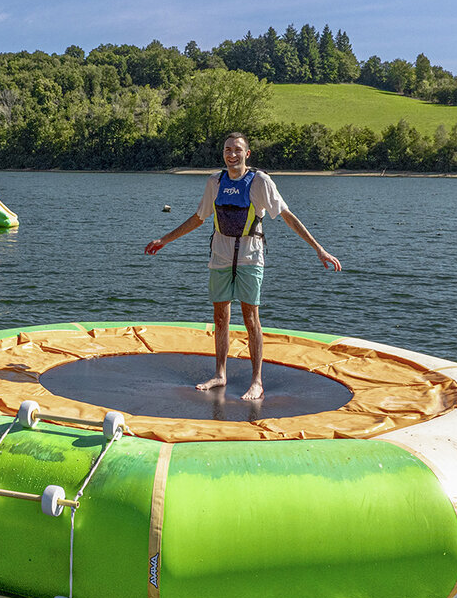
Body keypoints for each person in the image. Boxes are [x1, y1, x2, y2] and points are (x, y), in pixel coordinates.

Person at [145, 132, 341, 400]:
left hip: (250, 257)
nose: (231, 154)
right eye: (227, 149)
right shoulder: (214, 182)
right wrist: (165, 240)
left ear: (247, 154)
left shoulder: (261, 182)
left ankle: (257, 380)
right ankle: (220, 374)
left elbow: (286, 215)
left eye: (237, 149)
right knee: (220, 317)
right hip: (220, 257)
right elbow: (199, 218)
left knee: (251, 319)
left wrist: (319, 249)